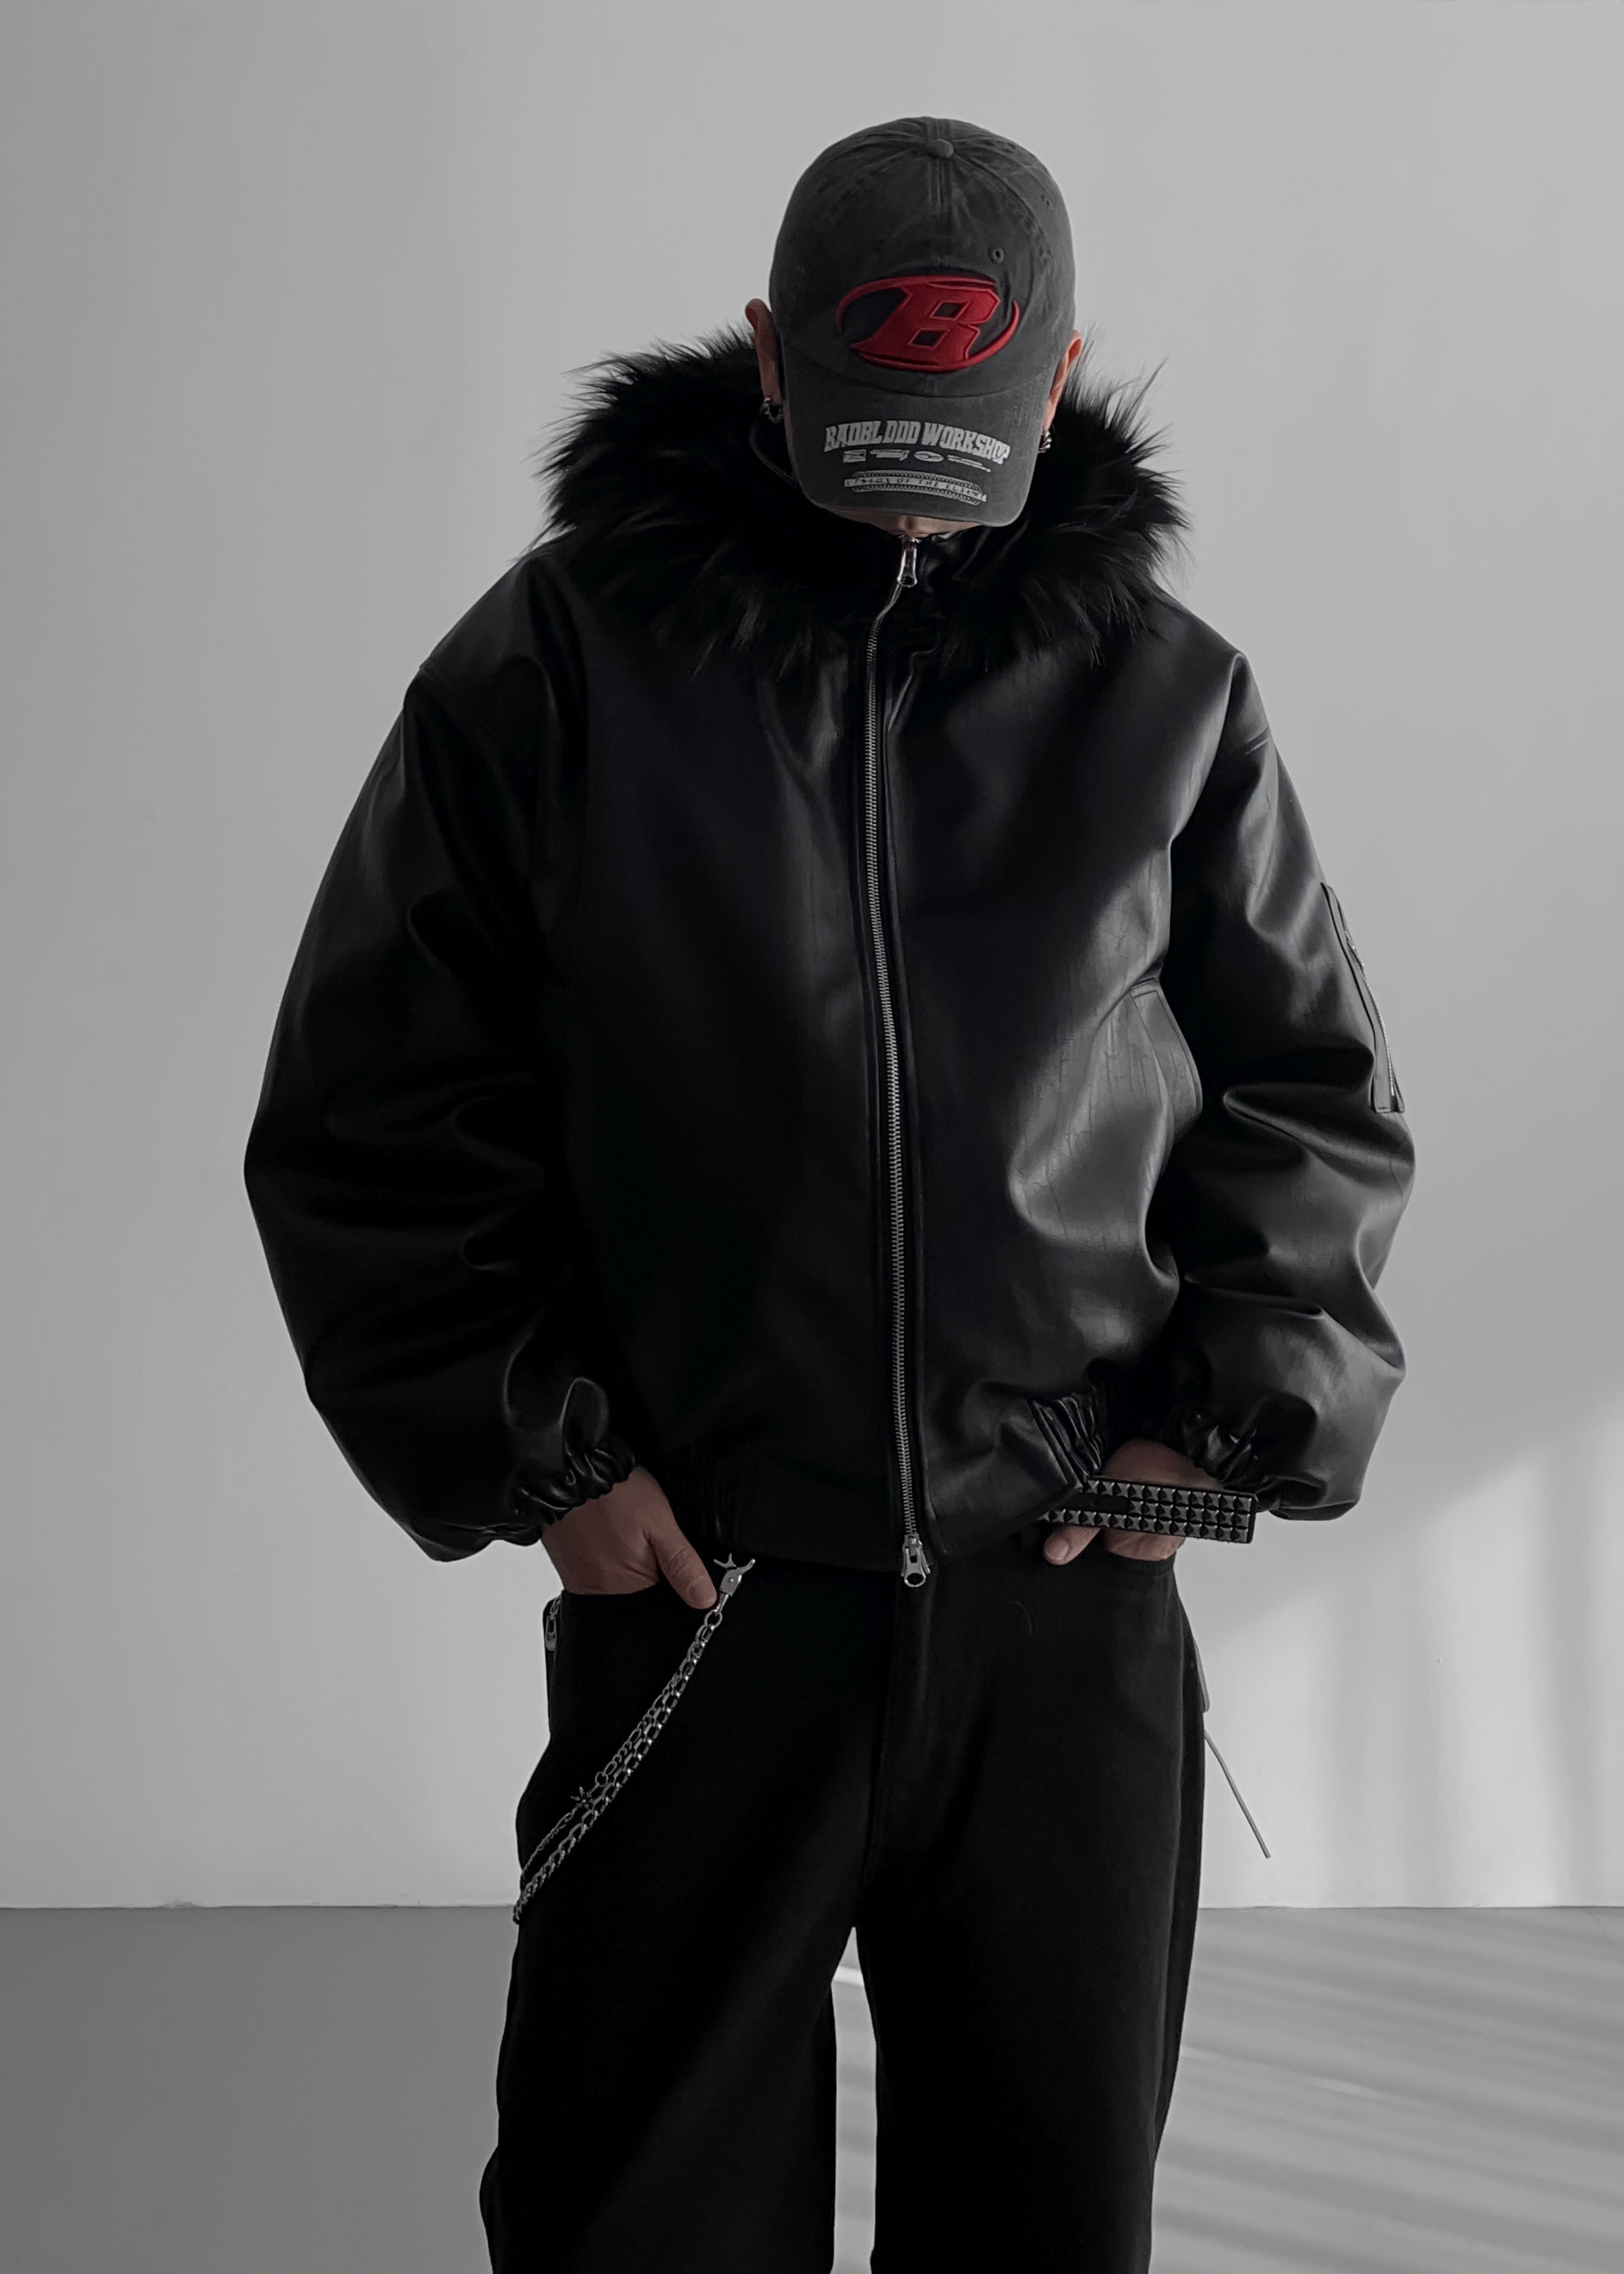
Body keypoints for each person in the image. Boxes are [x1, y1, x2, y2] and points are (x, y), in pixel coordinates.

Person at [245, 116, 1413, 2274]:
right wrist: (543, 1460)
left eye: (958, 444)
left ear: (1058, 381)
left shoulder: (1165, 698)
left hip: (1059, 1605)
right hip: (708, 1594)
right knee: (637, 2221)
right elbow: (370, 1101)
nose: (907, 496)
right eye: (865, 425)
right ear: (767, 352)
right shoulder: (558, 665)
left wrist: (1222, 1428)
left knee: (1044, 2222)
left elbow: (1313, 1091)